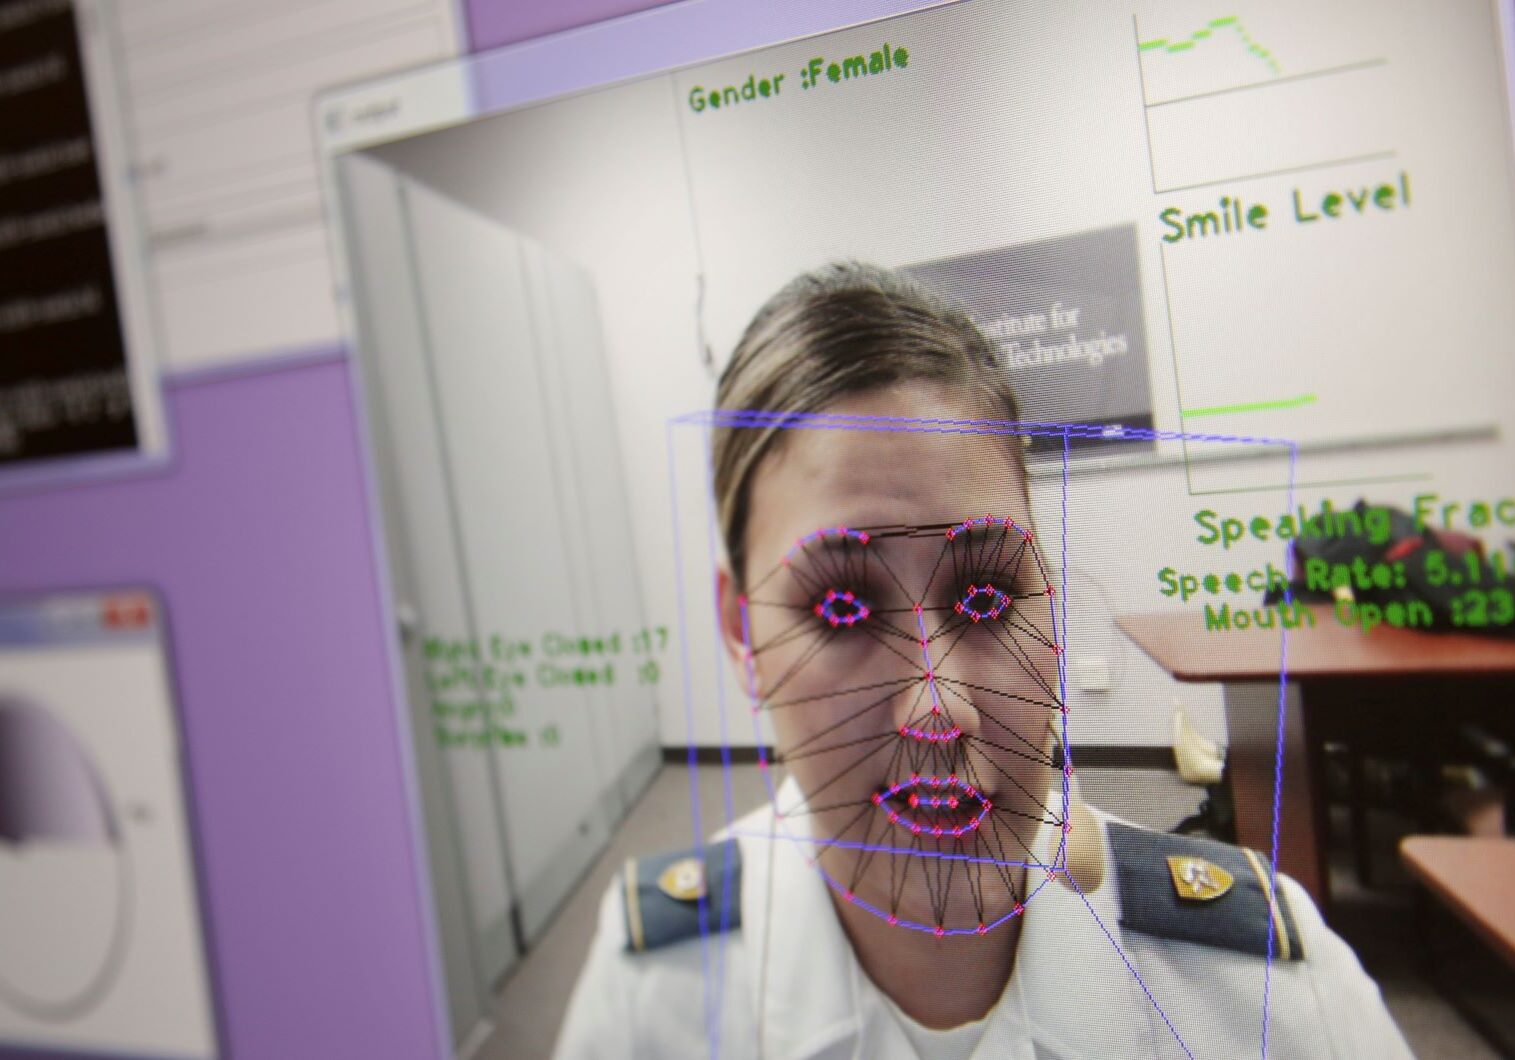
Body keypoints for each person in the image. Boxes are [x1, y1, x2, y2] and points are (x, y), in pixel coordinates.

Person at [556, 263, 1414, 1058]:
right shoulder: (652, 1007)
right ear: (741, 633)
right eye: (841, 607)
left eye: (986, 599)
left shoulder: (1264, 998)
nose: (940, 709)